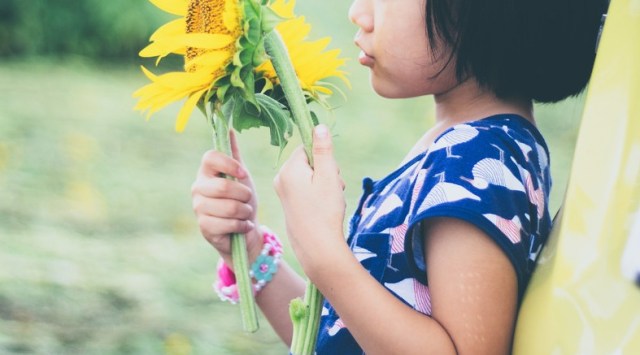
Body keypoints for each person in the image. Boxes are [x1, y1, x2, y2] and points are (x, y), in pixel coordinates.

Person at [191, 0, 607, 353]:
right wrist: (249, 249)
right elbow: (346, 334)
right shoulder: (465, 147)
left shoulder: (478, 162)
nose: (359, 13)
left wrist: (322, 251)